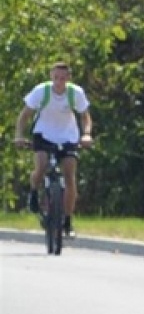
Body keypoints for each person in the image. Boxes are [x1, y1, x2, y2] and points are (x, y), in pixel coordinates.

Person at [15, 62, 93, 236]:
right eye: (56, 77)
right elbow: (24, 116)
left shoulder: (75, 93)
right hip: (44, 133)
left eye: (63, 78)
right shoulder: (41, 91)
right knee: (41, 166)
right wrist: (19, 135)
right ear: (51, 76)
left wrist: (86, 134)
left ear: (69, 78)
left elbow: (85, 117)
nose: (59, 82)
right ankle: (34, 191)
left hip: (68, 136)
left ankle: (67, 221)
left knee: (69, 175)